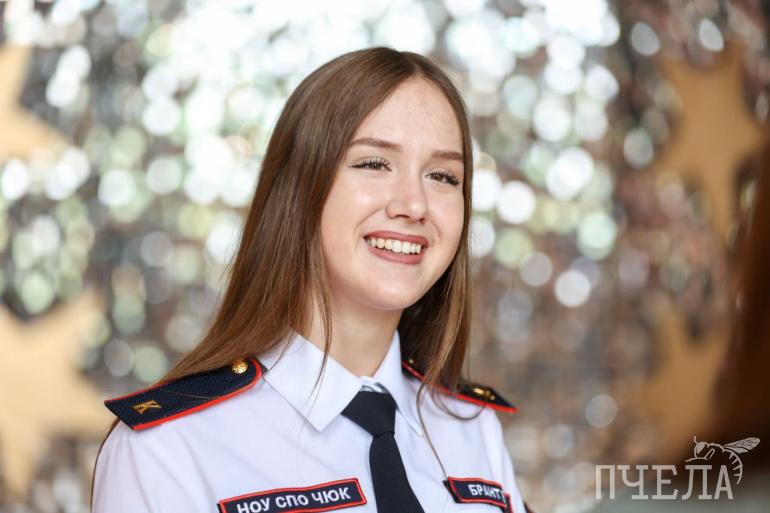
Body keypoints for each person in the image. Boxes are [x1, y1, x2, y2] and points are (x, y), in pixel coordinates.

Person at [91, 46, 531, 513]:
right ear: (297, 189)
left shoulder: (473, 429)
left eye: (442, 176)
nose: (414, 204)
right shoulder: (168, 450)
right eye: (374, 164)